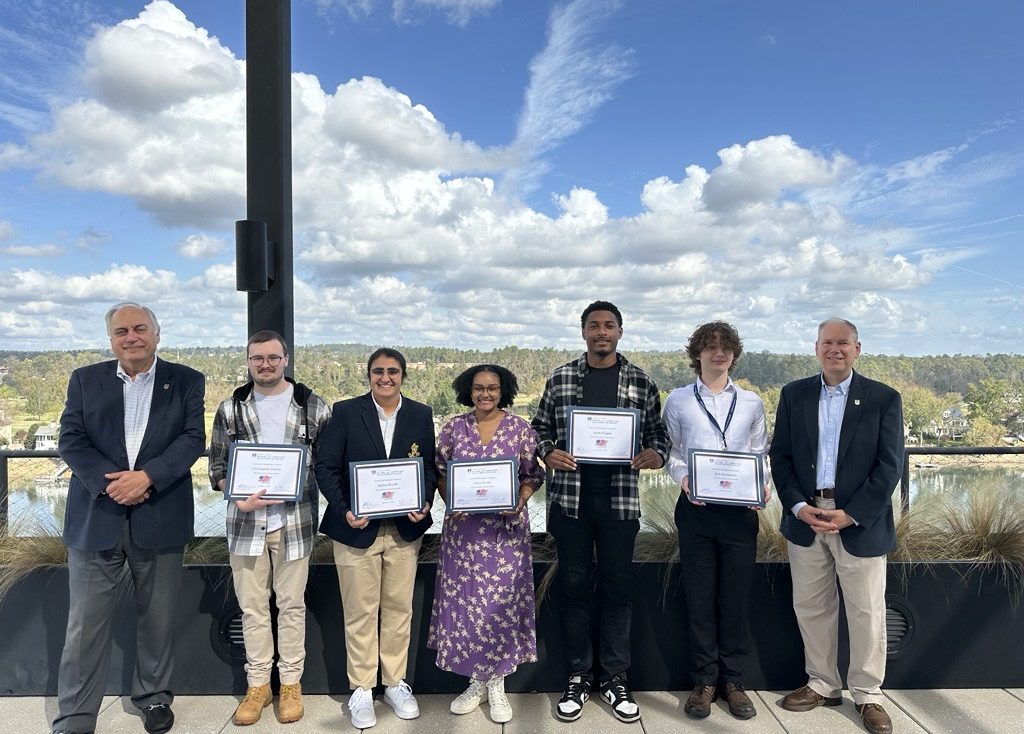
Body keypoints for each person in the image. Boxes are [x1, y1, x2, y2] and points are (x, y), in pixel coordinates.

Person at [51, 302, 205, 734]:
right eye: (121, 331)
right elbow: (71, 440)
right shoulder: (85, 380)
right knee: (83, 627)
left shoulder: (188, 381)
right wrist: (114, 484)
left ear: (157, 334)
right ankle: (76, 715)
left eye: (140, 328)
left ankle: (154, 698)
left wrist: (148, 478)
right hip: (96, 515)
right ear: (111, 339)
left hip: (160, 515)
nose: (131, 337)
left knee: (157, 619)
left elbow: (193, 439)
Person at [531, 300, 671, 724]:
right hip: (570, 505)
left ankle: (614, 678)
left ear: (620, 332)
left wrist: (656, 455)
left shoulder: (642, 381)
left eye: (609, 325)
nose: (601, 332)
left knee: (617, 592)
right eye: (594, 326)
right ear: (584, 332)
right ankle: (577, 677)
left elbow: (658, 434)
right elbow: (539, 428)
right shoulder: (560, 378)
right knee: (572, 591)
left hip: (620, 504)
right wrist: (548, 452)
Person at [769, 318, 904, 734]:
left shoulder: (883, 398)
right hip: (808, 520)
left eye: (842, 343)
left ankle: (867, 694)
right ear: (816, 348)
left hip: (858, 524)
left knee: (866, 612)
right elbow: (782, 457)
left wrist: (851, 513)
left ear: (857, 349)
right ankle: (822, 684)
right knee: (812, 607)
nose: (835, 349)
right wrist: (795, 506)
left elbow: (889, 465)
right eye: (827, 342)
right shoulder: (794, 395)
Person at [208, 330, 331, 726]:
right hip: (245, 524)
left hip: (296, 523)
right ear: (248, 361)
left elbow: (327, 465)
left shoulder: (313, 406)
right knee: (252, 608)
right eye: (257, 358)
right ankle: (258, 684)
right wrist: (236, 495)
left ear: (286, 359)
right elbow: (217, 468)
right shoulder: (230, 409)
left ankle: (291, 683)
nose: (265, 364)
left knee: (291, 606)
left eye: (273, 358)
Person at [313, 348, 436, 730]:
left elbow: (428, 467)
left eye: (393, 371)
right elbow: (325, 466)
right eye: (378, 371)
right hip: (355, 529)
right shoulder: (347, 411)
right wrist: (347, 507)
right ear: (368, 375)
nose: (386, 378)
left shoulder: (420, 414)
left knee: (399, 609)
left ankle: (396, 683)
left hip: (403, 531)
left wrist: (425, 500)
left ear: (403, 376)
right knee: (360, 612)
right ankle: (363, 688)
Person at [662, 322, 769, 720]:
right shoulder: (677, 400)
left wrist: (764, 486)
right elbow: (673, 452)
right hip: (696, 511)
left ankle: (734, 682)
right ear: (698, 353)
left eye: (725, 347)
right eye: (710, 347)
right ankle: (705, 681)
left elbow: (759, 452)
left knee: (736, 599)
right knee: (700, 599)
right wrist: (684, 479)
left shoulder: (752, 403)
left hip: (740, 514)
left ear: (734, 354)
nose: (718, 353)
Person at [428, 364, 544, 723]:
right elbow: (440, 472)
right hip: (463, 535)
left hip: (505, 533)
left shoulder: (520, 429)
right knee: (467, 608)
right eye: (479, 388)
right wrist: (453, 502)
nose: (485, 394)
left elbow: (533, 476)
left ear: (503, 390)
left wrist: (521, 500)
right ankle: (475, 682)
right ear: (468, 391)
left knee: (500, 608)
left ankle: (497, 684)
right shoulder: (452, 429)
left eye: (493, 388)